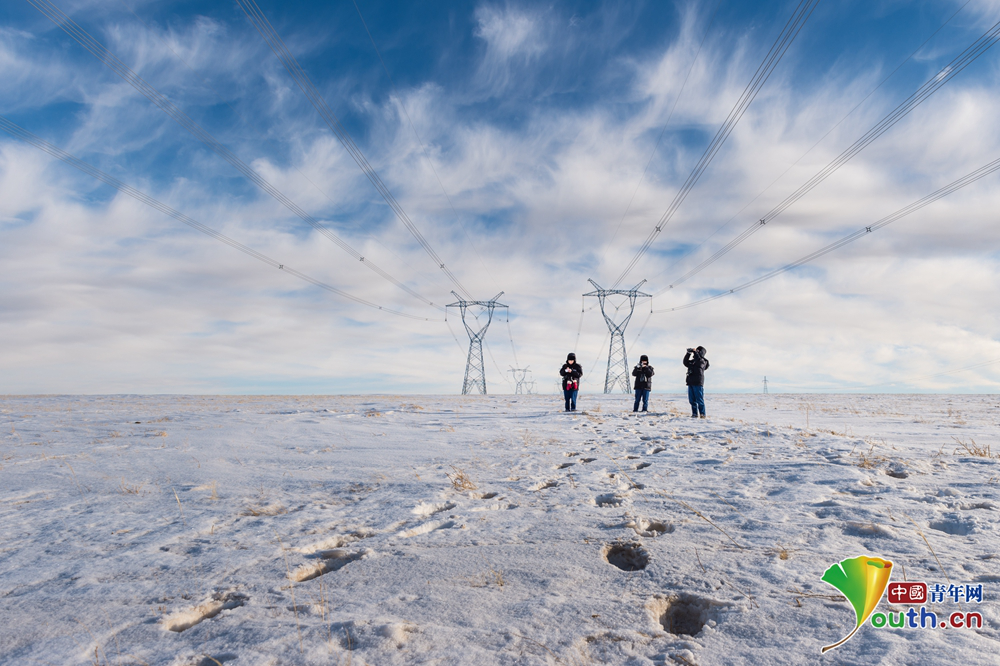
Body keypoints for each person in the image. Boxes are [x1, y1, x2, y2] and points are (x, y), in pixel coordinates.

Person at [683, 346, 709, 418]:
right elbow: (685, 362)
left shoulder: (703, 361)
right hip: (690, 382)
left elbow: (699, 362)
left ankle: (702, 414)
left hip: (698, 383)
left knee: (699, 400)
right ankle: (694, 414)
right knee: (692, 400)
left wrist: (695, 352)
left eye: (698, 351)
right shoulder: (692, 361)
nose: (696, 352)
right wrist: (688, 353)